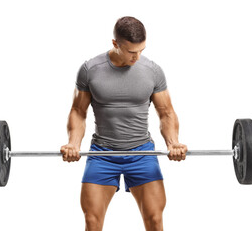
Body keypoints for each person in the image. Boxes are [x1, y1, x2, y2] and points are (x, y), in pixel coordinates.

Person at [60, 16, 187, 231]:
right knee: (92, 221)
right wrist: (73, 144)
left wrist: (173, 143)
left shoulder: (153, 71)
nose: (137, 57)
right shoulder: (90, 70)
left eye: (141, 51)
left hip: (142, 153)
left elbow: (166, 112)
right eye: (131, 52)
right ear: (115, 44)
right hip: (102, 154)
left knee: (155, 219)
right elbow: (78, 111)